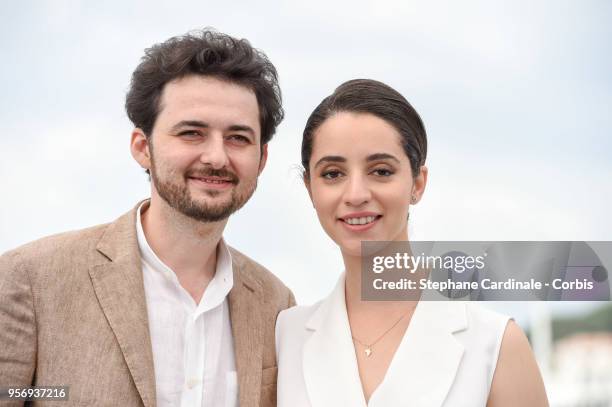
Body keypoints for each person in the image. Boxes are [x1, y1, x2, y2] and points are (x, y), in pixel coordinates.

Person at [0, 29, 294, 407]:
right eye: (192, 133)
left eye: (238, 138)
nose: (217, 157)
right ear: (143, 148)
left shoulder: (276, 304)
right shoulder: (30, 280)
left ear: (262, 159)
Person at [275, 79, 549, 406]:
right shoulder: (285, 336)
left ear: (417, 183)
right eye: (333, 174)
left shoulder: (495, 344)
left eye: (381, 171)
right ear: (310, 189)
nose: (356, 195)